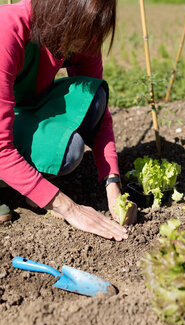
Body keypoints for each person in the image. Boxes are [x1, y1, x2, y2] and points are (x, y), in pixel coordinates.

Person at [0, 0, 137, 240]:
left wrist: (113, 183)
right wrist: (70, 209)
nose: (85, 44)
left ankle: (28, 181)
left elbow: (100, 118)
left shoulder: (82, 29)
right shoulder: (8, 28)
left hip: (25, 107)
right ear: (60, 14)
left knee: (92, 102)